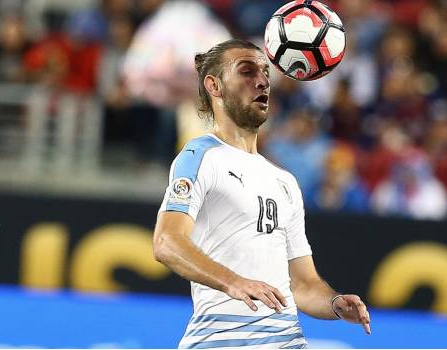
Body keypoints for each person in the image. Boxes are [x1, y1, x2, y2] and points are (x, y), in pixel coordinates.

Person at [153, 39, 371, 349]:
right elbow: (166, 243)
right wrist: (234, 281)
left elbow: (304, 285)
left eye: (266, 72)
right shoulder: (199, 156)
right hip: (222, 341)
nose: (263, 80)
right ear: (214, 86)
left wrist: (335, 303)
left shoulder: (284, 181)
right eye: (246, 71)